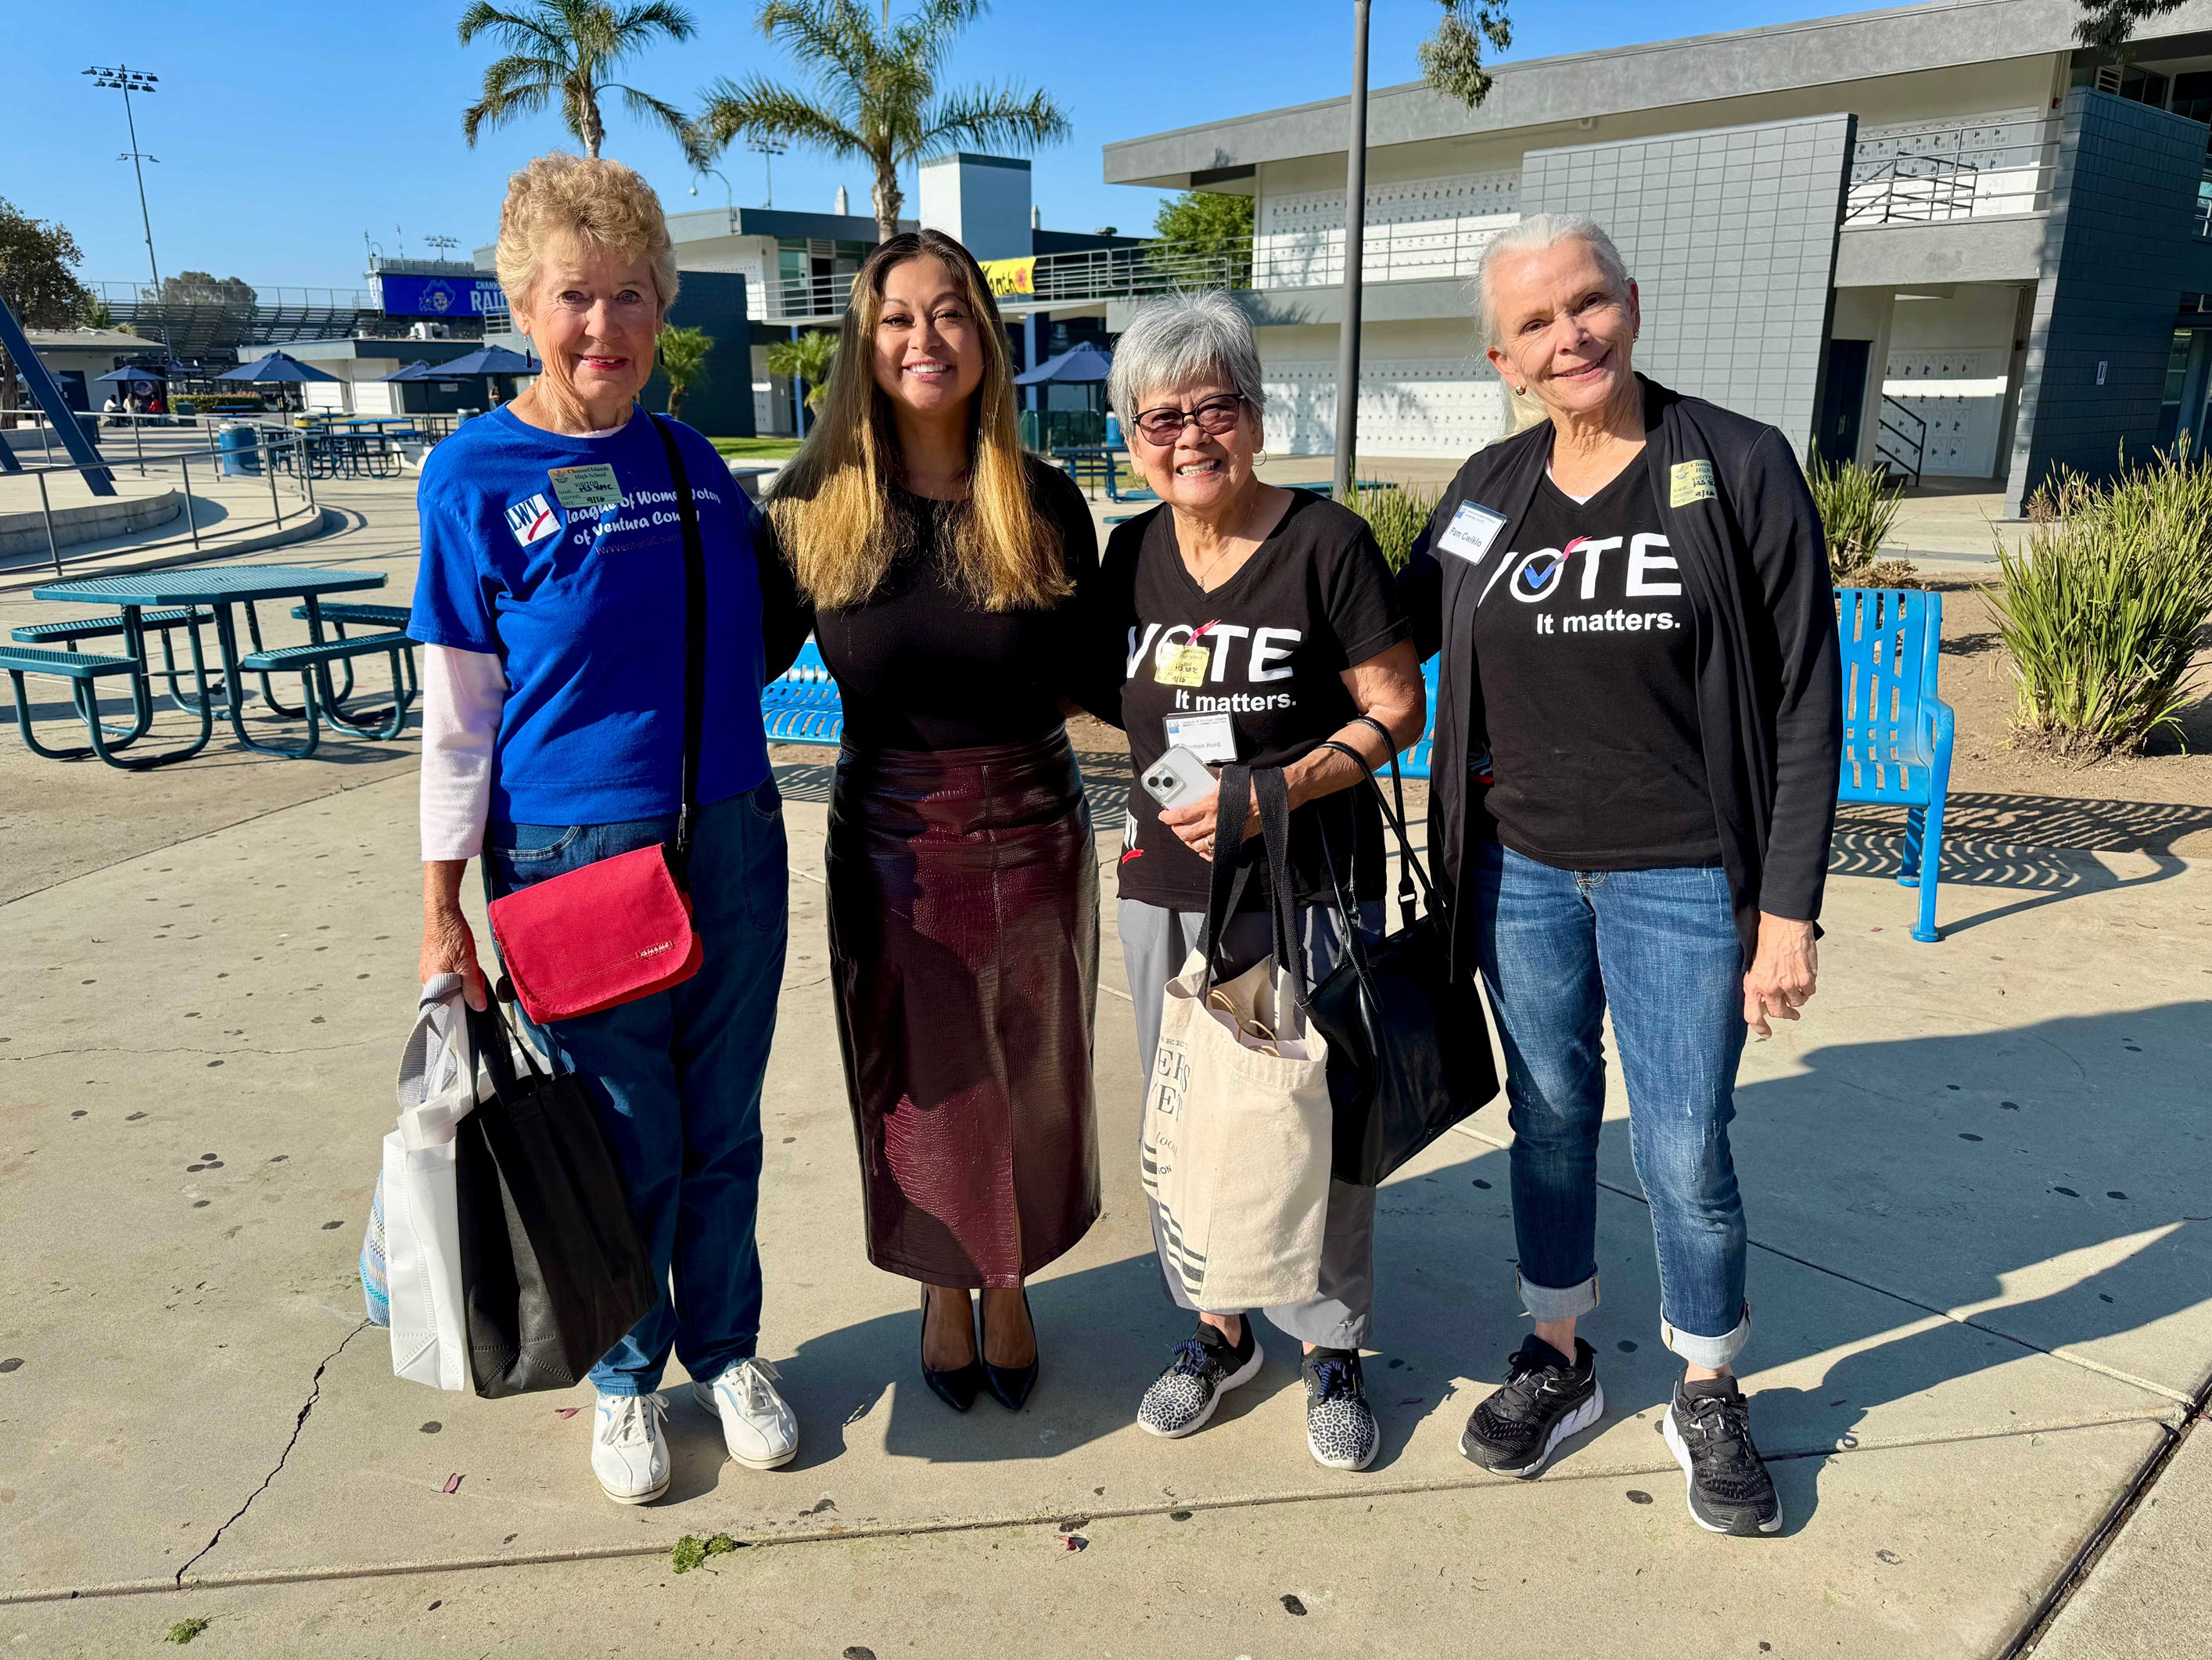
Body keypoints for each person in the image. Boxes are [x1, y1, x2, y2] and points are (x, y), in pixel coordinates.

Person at [1401, 214, 1841, 1536]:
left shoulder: (1737, 464)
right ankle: (1560, 1353)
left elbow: (1806, 696)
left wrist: (1788, 907)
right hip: (1519, 876)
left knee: (1686, 1144)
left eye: (1586, 303)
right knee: (1545, 1125)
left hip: (1688, 881)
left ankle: (1707, 1379)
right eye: (1536, 322)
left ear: (1632, 305)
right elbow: (1378, 632)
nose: (1569, 334)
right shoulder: (1486, 491)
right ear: (1502, 357)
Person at [408, 152, 800, 1506]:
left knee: (726, 1124)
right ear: (523, 301)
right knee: (624, 1131)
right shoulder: (471, 478)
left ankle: (729, 1345)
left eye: (632, 295)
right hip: (574, 863)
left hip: (735, 839)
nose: (605, 327)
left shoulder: (696, 465)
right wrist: (441, 906)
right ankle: (631, 1373)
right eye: (575, 294)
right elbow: (458, 722)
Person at [764, 230, 1111, 1415]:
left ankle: (1005, 1279)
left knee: (1030, 1072)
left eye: (952, 312)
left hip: (1032, 825)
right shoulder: (811, 509)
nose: (927, 338)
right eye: (900, 317)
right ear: (864, 343)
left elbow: (1108, 674)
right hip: (888, 839)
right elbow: (725, 663)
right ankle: (937, 1283)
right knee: (915, 1082)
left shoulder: (1045, 498)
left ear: (986, 337)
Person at [1100, 291, 1426, 1473]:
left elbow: (1398, 709)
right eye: (1160, 416)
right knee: (1191, 1125)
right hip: (1164, 890)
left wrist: (1274, 789)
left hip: (1307, 888)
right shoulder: (1129, 553)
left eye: (1215, 407)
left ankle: (1331, 1347)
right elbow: (1112, 697)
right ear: (1132, 435)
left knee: (1314, 1124)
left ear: (1256, 411)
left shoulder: (1326, 546)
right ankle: (1219, 1332)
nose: (1190, 436)